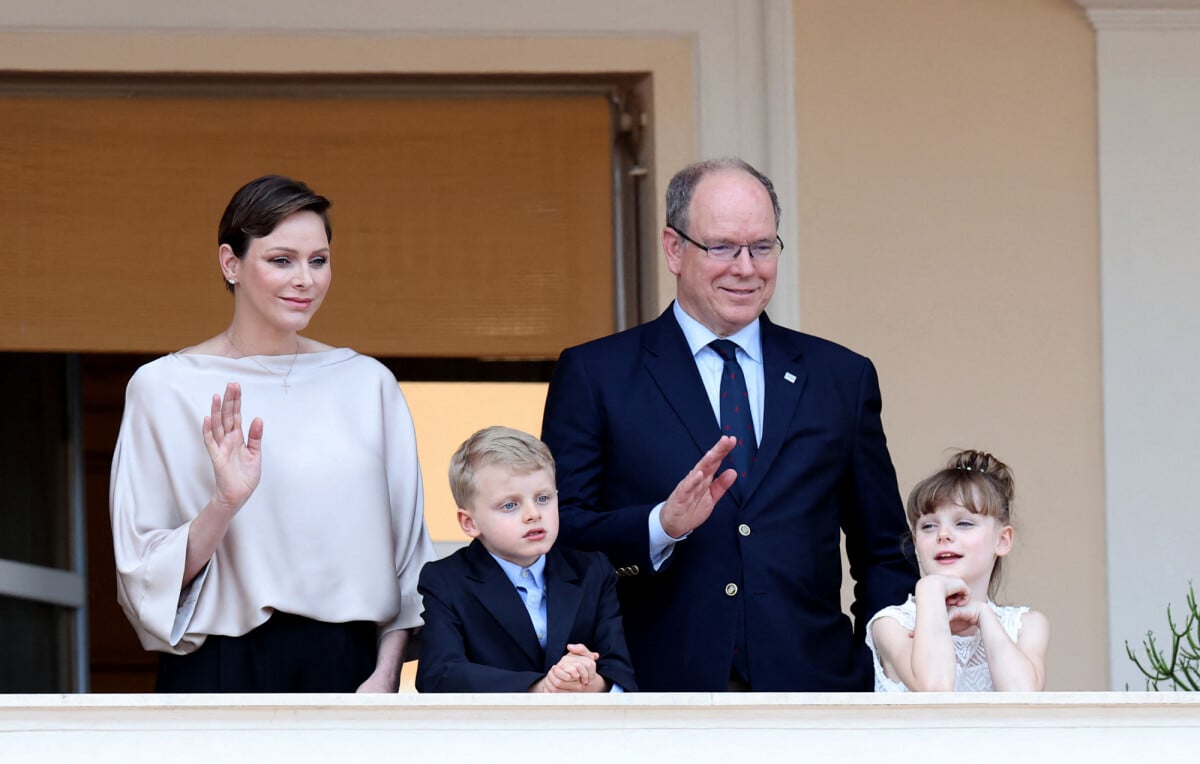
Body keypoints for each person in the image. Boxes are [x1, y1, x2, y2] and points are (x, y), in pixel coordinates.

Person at [540, 157, 918, 691]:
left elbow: (884, 552)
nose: (746, 268)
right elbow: (560, 540)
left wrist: (884, 672)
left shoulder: (841, 377)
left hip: (815, 696)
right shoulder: (596, 373)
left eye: (762, 247)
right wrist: (659, 529)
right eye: (722, 247)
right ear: (674, 249)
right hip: (654, 694)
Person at [109, 175, 436, 692]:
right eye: (282, 260)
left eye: (319, 260)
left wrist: (387, 672)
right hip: (217, 664)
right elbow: (143, 571)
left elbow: (408, 552)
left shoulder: (367, 383)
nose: (305, 279)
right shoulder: (164, 388)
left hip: (346, 666)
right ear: (230, 263)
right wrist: (224, 501)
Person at [416, 426, 637, 693]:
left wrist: (586, 680)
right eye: (510, 505)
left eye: (543, 498)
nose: (533, 514)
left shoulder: (593, 571)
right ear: (470, 522)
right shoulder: (445, 580)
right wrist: (541, 687)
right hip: (490, 732)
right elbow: (439, 675)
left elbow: (619, 672)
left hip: (578, 731)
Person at [865, 450, 1049, 692]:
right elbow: (935, 688)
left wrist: (984, 616)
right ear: (916, 543)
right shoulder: (892, 624)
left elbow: (1023, 698)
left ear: (1002, 540)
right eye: (928, 526)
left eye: (963, 523)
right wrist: (929, 590)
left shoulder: (1027, 626)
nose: (943, 535)